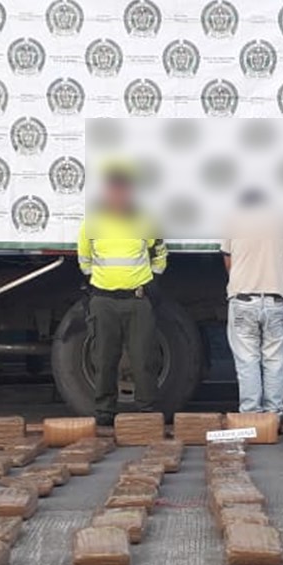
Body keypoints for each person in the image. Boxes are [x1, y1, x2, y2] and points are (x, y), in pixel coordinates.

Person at [77, 164, 168, 425]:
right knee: (104, 359)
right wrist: (99, 283)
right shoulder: (92, 223)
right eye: (114, 190)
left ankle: (147, 413)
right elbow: (84, 260)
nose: (119, 195)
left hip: (137, 300)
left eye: (123, 190)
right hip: (103, 301)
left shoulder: (146, 220)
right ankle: (105, 413)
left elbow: (160, 254)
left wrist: (151, 283)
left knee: (144, 359)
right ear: (107, 193)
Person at [222, 189, 283, 416]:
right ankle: (274, 415)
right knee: (275, 362)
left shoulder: (232, 220)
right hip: (276, 300)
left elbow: (228, 261)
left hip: (243, 299)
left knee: (247, 361)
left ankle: (251, 414)